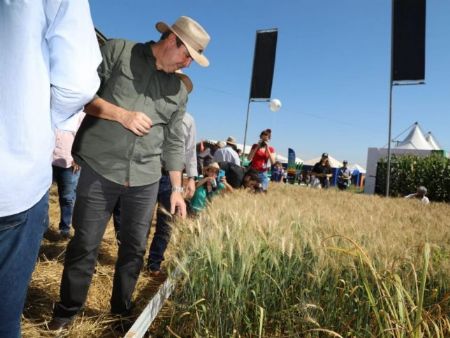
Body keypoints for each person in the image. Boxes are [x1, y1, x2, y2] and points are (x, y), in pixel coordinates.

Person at [49, 16, 211, 330]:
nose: (188, 64)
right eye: (188, 55)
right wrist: (121, 115)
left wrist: (176, 189)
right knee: (85, 243)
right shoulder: (118, 51)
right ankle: (66, 314)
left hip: (146, 178)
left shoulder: (179, 90)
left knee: (135, 249)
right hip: (99, 167)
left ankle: (121, 313)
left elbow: (174, 141)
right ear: (172, 40)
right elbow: (81, 96)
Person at [0, 2, 101, 337]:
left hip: (37, 168)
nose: (189, 62)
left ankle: (63, 226)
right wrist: (41, 123)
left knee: (68, 201)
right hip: (15, 177)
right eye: (189, 54)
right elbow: (79, 82)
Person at [52, 112, 85, 239]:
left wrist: (79, 157)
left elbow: (84, 137)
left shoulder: (80, 114)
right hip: (48, 160)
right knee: (42, 197)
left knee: (67, 198)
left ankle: (64, 229)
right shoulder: (53, 110)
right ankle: (42, 227)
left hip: (69, 163)